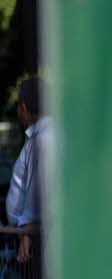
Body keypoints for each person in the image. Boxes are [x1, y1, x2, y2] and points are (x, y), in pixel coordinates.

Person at [5, 76, 51, 263]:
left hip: (34, 239)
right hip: (31, 234)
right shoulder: (44, 135)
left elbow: (36, 186)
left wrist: (27, 231)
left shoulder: (42, 139)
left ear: (23, 107)